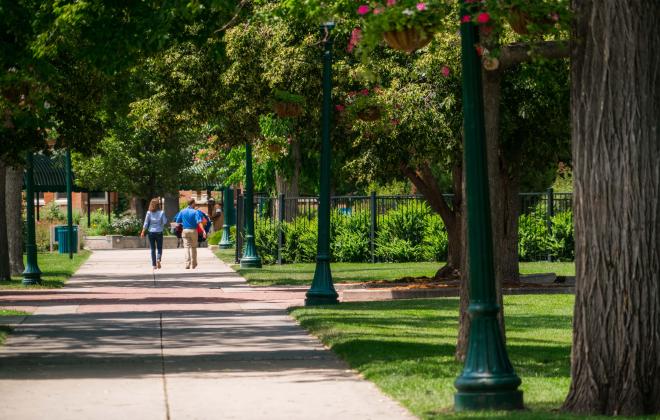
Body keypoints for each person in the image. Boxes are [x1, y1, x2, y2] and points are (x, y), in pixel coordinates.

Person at [175, 198, 207, 269]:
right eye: (194, 203)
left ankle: (187, 263)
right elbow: (199, 222)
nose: (195, 204)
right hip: (193, 231)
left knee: (186, 247)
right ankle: (194, 263)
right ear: (192, 203)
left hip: (185, 230)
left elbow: (177, 222)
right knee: (193, 247)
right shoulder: (195, 212)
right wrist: (203, 231)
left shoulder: (182, 211)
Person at [140, 198, 168, 269]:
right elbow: (165, 222)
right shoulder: (161, 212)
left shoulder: (149, 213)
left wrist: (143, 231)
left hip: (151, 232)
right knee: (159, 248)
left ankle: (154, 265)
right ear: (158, 205)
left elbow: (146, 223)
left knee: (152, 249)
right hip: (159, 232)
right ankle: (158, 259)